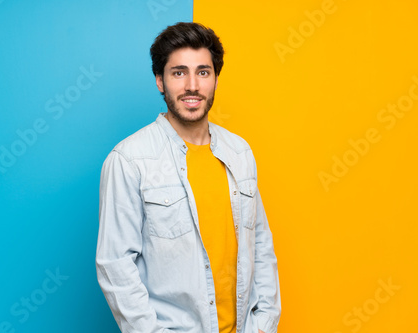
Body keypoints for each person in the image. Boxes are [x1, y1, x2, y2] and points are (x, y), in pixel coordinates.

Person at [96, 22, 281, 333]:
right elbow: (115, 266)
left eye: (203, 72)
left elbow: (260, 243)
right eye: (179, 73)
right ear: (160, 81)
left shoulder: (240, 151)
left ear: (216, 80)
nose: (192, 85)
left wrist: (264, 324)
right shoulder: (129, 160)